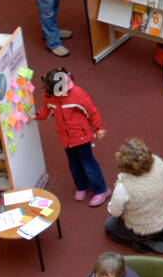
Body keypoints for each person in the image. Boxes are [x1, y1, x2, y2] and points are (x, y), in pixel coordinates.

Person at [35, 67, 108, 205]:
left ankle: (101, 190)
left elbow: (92, 112)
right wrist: (36, 116)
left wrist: (98, 128)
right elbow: (46, 109)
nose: (60, 95)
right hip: (66, 139)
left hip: (81, 136)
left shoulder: (77, 94)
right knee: (74, 164)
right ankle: (82, 187)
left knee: (88, 164)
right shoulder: (50, 96)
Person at [104, 138, 163, 254]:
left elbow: (114, 211)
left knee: (108, 226)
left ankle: (143, 242)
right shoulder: (160, 165)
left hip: (143, 227)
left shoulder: (124, 187)